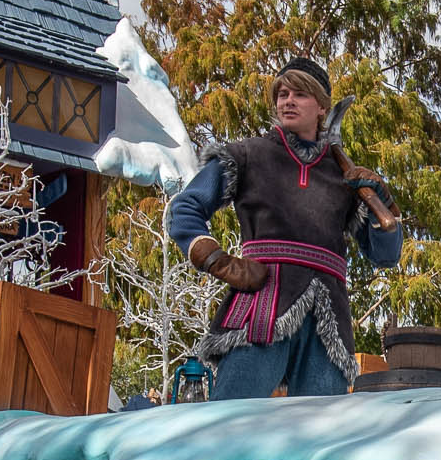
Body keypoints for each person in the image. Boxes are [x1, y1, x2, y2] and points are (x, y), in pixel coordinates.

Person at [166, 58, 405, 398]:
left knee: (321, 440)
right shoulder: (248, 155)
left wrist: (383, 203)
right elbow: (184, 208)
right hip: (263, 304)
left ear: (322, 107)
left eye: (300, 94)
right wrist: (217, 260)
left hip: (328, 323)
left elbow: (385, 256)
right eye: (282, 94)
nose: (287, 101)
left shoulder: (346, 178)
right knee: (229, 425)